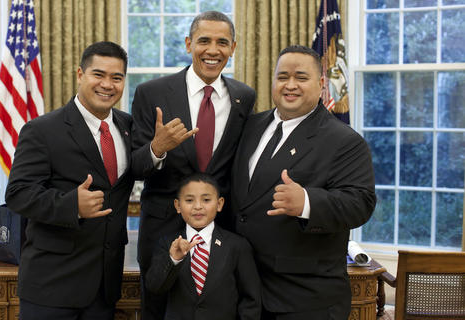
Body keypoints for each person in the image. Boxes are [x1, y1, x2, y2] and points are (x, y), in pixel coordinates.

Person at [230, 45, 376, 320]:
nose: (290, 85)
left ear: (321, 84)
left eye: (301, 77)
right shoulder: (249, 127)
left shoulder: (344, 141)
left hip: (304, 299)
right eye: (283, 76)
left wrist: (308, 202)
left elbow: (361, 203)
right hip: (242, 292)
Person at [131, 11, 256, 319]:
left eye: (222, 42)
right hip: (162, 230)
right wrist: (156, 148)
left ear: (233, 48)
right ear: (188, 44)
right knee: (158, 308)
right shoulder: (152, 93)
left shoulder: (244, 97)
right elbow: (133, 166)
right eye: (204, 41)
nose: (213, 50)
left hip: (220, 229)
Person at [5, 41, 134, 320]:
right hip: (52, 286)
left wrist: (158, 149)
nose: (107, 84)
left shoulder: (128, 126)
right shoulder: (42, 130)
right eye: (98, 74)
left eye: (117, 77)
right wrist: (71, 205)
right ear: (79, 75)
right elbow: (17, 193)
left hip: (104, 287)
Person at [145, 173, 261, 320]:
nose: (198, 206)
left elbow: (250, 300)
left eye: (206, 200)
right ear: (178, 205)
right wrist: (174, 260)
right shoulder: (167, 243)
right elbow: (154, 287)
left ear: (219, 204)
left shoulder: (237, 245)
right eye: (189, 200)